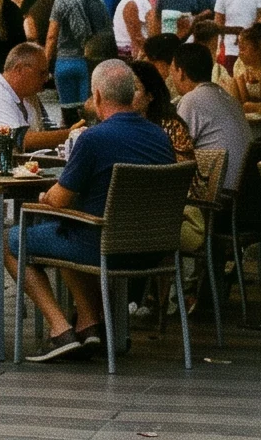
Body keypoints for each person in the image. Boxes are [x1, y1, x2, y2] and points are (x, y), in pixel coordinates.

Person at [18, 59, 176, 362]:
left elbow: (60, 200)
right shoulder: (160, 136)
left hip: (104, 247)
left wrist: (44, 196)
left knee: (14, 240)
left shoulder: (93, 138)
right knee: (63, 232)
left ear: (98, 96)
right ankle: (90, 324)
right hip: (155, 249)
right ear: (132, 94)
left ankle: (60, 329)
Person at [163, 36, 250, 188]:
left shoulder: (191, 100)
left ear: (181, 72)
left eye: (172, 71)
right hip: (246, 191)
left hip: (217, 194)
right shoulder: (228, 98)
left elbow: (173, 150)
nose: (171, 76)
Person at [0, 41, 70, 165]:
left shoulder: (29, 97)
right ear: (19, 70)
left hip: (22, 169)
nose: (46, 79)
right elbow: (20, 140)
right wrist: (71, 134)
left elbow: (47, 128)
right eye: (41, 73)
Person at [44, 0, 110, 110]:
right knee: (88, 110)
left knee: (68, 111)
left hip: (65, 62)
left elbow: (52, 36)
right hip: (89, 63)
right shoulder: (96, 0)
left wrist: (45, 64)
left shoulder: (61, 0)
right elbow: (105, 33)